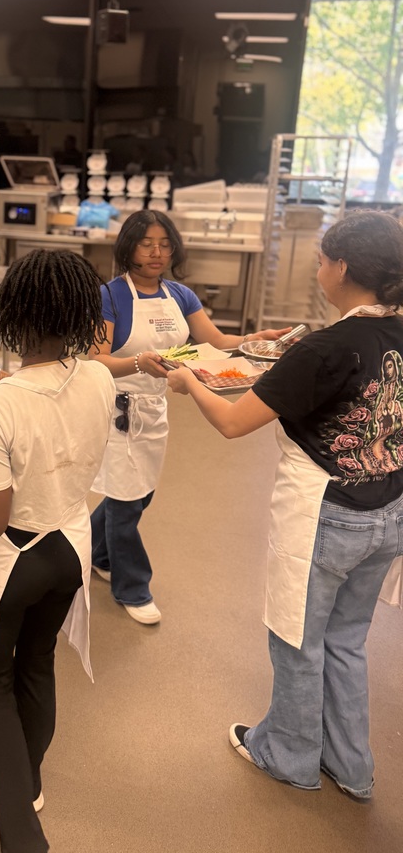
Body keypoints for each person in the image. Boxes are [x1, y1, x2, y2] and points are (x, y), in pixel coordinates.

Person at [166, 209, 403, 799]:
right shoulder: (388, 333)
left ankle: (290, 755)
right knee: (347, 640)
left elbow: (231, 421)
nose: (319, 270)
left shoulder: (328, 346)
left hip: (327, 514)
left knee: (296, 636)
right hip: (387, 512)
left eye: (322, 260)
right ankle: (351, 766)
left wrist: (187, 380)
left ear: (342, 267)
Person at [0, 248, 115, 853]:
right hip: (69, 547)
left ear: (12, 316)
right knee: (38, 663)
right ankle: (30, 783)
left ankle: (22, 834)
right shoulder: (99, 376)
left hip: (15, 558)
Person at [88, 209, 288, 625]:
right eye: (147, 243)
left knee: (138, 493)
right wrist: (139, 363)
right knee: (126, 500)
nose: (157, 252)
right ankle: (132, 587)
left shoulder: (180, 295)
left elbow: (215, 341)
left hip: (156, 406)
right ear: (129, 247)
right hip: (118, 408)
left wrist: (254, 339)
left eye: (164, 243)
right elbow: (96, 361)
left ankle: (95, 551)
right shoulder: (110, 295)